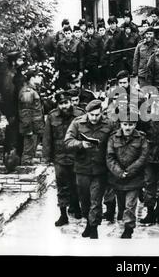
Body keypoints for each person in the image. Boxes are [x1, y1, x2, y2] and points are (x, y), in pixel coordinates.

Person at [64, 100, 117, 239]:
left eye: (97, 115)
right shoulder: (77, 123)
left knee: (96, 200)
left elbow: (116, 141)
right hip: (82, 168)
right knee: (85, 200)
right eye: (92, 115)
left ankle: (94, 229)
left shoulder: (109, 124)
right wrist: (81, 144)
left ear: (101, 112)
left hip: (100, 169)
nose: (94, 118)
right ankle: (89, 222)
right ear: (87, 113)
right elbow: (67, 142)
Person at [43, 91, 85, 226]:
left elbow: (85, 134)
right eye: (61, 103)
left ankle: (77, 207)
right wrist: (46, 156)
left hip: (76, 156)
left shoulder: (79, 115)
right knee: (61, 186)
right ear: (57, 104)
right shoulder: (52, 116)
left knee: (77, 184)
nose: (64, 106)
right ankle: (63, 215)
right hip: (59, 157)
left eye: (66, 102)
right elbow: (47, 137)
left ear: (71, 102)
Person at [106, 106, 149, 238]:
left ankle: (128, 228)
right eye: (125, 124)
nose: (128, 127)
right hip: (117, 177)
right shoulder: (113, 138)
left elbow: (143, 157)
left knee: (130, 204)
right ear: (121, 124)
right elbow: (109, 157)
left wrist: (129, 171)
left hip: (134, 178)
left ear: (135, 124)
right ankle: (123, 221)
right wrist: (119, 172)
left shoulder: (141, 138)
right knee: (122, 204)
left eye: (131, 124)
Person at [18, 69, 44, 165]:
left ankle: (28, 165)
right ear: (32, 78)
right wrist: (28, 128)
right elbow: (25, 111)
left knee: (32, 148)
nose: (41, 78)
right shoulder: (28, 91)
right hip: (31, 126)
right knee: (28, 150)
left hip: (35, 125)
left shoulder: (33, 90)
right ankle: (25, 168)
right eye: (39, 76)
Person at [82, 22, 105, 91]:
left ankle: (97, 95)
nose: (90, 30)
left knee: (96, 80)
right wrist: (84, 65)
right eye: (89, 29)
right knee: (87, 80)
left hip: (96, 63)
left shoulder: (98, 38)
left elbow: (101, 51)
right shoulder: (84, 39)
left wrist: (100, 63)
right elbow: (83, 53)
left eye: (91, 28)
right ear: (86, 30)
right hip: (87, 64)